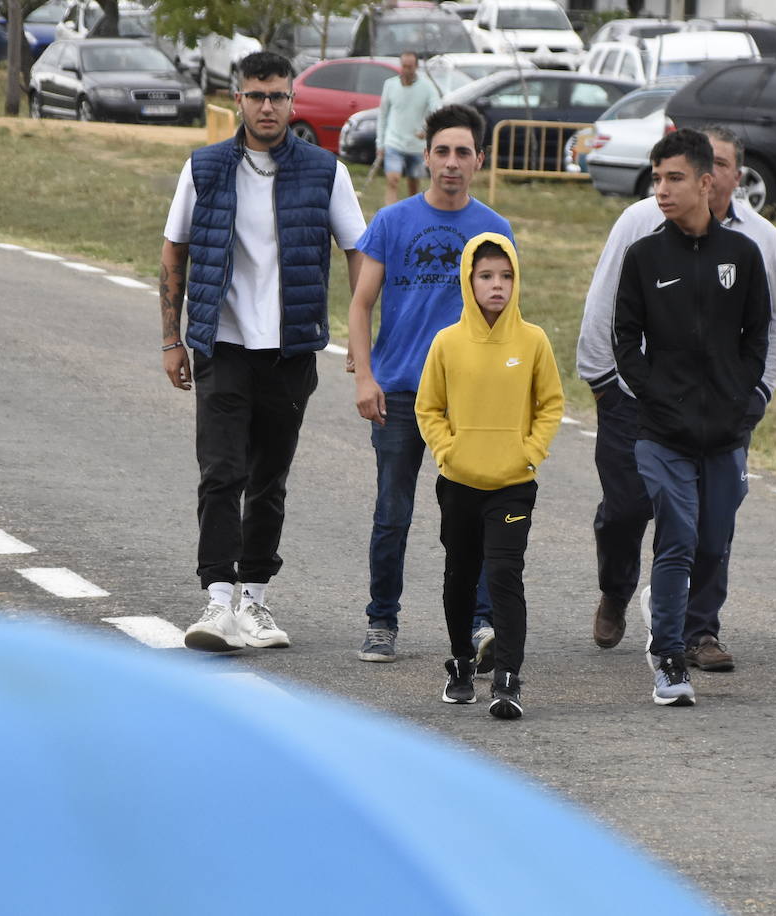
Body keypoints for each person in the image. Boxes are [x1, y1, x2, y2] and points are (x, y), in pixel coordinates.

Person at [159, 51, 367, 652]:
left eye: (277, 95)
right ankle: (217, 600)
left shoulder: (325, 172)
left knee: (268, 479)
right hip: (221, 346)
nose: (267, 106)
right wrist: (172, 338)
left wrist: (359, 338)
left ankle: (256, 600)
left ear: (292, 101)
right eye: (256, 96)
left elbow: (358, 252)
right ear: (239, 99)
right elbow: (174, 252)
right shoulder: (203, 169)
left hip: (289, 351)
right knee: (221, 473)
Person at [576, 125, 776, 672]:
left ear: (724, 177)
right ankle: (618, 588)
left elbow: (770, 324)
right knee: (626, 511)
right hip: (634, 402)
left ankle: (697, 632)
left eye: (719, 165)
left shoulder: (757, 242)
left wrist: (756, 393)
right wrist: (607, 384)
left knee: (707, 527)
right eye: (659, 177)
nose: (666, 187)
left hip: (721, 413)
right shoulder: (640, 229)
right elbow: (609, 313)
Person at [347, 103, 514, 663]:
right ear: (426, 157)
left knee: (474, 515)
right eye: (441, 151)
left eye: (463, 152)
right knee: (392, 513)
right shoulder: (393, 222)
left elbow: (506, 313)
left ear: (479, 160)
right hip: (397, 391)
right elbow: (361, 303)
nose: (451, 162)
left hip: (468, 399)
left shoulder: (495, 229)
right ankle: (381, 620)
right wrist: (365, 376)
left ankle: (481, 625)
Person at [612, 128, 770, 706]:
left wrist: (741, 393)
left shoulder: (743, 255)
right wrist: (654, 394)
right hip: (662, 432)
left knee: (712, 541)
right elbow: (625, 339)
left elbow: (759, 335)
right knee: (677, 535)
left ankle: (678, 617)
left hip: (725, 432)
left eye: (673, 178)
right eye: (656, 179)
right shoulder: (645, 256)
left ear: (707, 183)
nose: (661, 190)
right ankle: (668, 658)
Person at [415, 233, 563, 718]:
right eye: (486, 276)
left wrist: (529, 451)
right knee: (460, 576)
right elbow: (428, 407)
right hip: (458, 482)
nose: (497, 285)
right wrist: (448, 450)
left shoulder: (533, 341)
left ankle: (508, 680)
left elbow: (551, 404)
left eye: (505, 276)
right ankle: (460, 664)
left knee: (504, 575)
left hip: (512, 485)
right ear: (469, 281)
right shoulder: (447, 342)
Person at [375, 52, 441, 208]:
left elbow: (436, 109)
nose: (406, 70)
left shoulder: (426, 87)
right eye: (404, 66)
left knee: (414, 186)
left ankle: (414, 214)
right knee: (393, 179)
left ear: (416, 67)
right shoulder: (390, 85)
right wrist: (380, 143)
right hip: (394, 142)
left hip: (416, 146)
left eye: (410, 67)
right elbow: (383, 115)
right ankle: (390, 214)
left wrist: (427, 129)